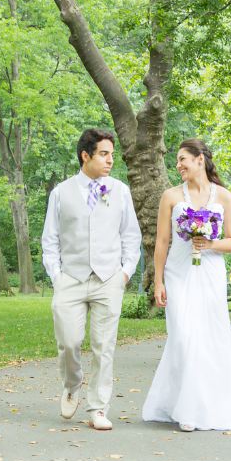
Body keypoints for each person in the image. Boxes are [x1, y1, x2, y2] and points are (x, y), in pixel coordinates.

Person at [141, 138, 231, 432]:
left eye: (183, 159)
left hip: (209, 273)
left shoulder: (225, 197)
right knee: (184, 336)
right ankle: (185, 408)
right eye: (177, 160)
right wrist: (158, 281)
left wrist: (209, 243)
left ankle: (205, 407)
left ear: (200, 159)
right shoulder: (171, 197)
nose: (179, 165)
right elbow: (162, 241)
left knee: (209, 338)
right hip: (177, 272)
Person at [41, 128, 141, 431]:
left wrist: (124, 273)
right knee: (69, 342)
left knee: (104, 345)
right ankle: (72, 384)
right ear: (86, 156)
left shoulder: (120, 190)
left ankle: (98, 407)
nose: (111, 160)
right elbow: (50, 239)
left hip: (108, 278)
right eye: (104, 154)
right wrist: (57, 276)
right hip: (70, 278)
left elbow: (131, 236)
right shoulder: (61, 192)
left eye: (111, 154)